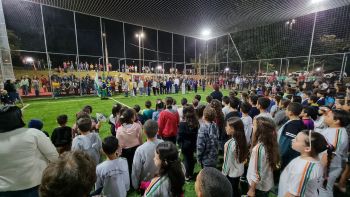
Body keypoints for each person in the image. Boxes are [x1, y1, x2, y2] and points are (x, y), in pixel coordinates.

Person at [0, 105, 58, 196]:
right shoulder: (33, 133)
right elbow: (54, 157)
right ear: (17, 119)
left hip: (4, 189)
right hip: (33, 187)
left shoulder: (33, 134)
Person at [278, 130, 332, 197]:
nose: (293, 140)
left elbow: (292, 195)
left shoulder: (304, 169)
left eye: (296, 140)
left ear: (307, 148)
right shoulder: (305, 160)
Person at [318, 109, 349, 197]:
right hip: (325, 165)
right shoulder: (332, 128)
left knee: (324, 189)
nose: (325, 117)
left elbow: (330, 154)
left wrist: (322, 170)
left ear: (336, 121)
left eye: (328, 116)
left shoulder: (337, 134)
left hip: (329, 167)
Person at [247, 116, 279, 197]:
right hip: (266, 182)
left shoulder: (258, 149)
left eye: (254, 125)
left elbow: (256, 173)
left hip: (258, 187)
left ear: (260, 130)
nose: (252, 127)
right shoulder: (270, 143)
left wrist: (252, 189)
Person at [131, 120, 163, 193]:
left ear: (144, 132)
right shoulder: (163, 143)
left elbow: (136, 170)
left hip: (147, 184)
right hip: (160, 181)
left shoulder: (140, 150)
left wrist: (135, 185)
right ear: (158, 130)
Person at [222, 117, 248, 196]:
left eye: (227, 126)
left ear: (233, 129)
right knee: (235, 189)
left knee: (231, 191)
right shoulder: (242, 138)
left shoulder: (229, 144)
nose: (225, 127)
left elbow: (227, 163)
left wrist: (223, 175)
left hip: (231, 174)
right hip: (238, 171)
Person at [116, 108, 143, 177]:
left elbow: (118, 142)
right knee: (134, 164)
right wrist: (141, 146)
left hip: (125, 151)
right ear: (131, 118)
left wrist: (119, 152)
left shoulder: (119, 129)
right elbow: (140, 138)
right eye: (134, 115)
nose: (135, 116)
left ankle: (129, 177)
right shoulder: (137, 126)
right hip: (135, 149)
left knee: (128, 165)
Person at [278, 102, 305, 169]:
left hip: (288, 158)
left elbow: (285, 144)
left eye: (287, 109)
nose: (285, 111)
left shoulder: (292, 125)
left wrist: (279, 156)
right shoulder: (299, 122)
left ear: (290, 113)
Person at [177, 105, 199, 181]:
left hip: (186, 145)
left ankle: (187, 175)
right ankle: (190, 173)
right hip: (193, 144)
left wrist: (180, 144)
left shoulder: (183, 124)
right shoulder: (196, 123)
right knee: (190, 159)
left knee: (187, 160)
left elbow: (180, 136)